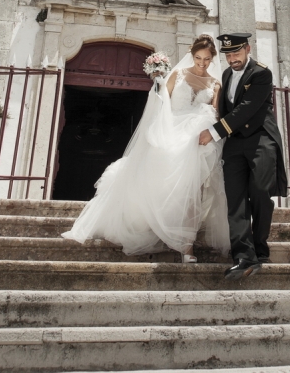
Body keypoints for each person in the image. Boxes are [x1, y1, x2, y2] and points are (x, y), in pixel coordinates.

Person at [63, 35, 230, 262]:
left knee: (192, 192)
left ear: (213, 59)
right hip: (170, 136)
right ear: (192, 55)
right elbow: (162, 105)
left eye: (207, 59)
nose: (202, 62)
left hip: (196, 142)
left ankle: (187, 247)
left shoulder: (215, 84)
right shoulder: (177, 75)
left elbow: (215, 114)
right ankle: (157, 228)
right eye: (198, 57)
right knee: (159, 187)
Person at [198, 32, 287, 280]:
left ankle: (260, 249)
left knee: (259, 193)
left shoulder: (261, 73)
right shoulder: (226, 75)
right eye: (228, 54)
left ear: (247, 49)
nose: (232, 58)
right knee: (235, 200)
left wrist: (214, 132)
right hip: (235, 144)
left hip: (261, 140)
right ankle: (243, 257)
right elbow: (225, 108)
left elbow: (247, 109)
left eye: (236, 52)